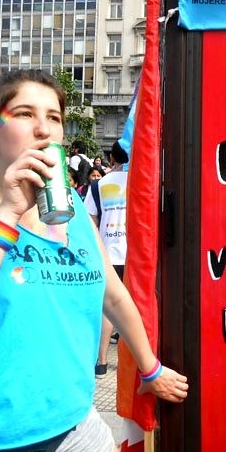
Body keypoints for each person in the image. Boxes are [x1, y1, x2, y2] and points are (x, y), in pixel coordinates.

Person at [0, 69, 188, 452]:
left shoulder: (72, 207)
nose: (44, 129)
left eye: (55, 117)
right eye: (24, 114)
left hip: (74, 425)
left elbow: (112, 295)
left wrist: (151, 369)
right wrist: (8, 213)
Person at [85, 141, 128, 378]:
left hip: (107, 253)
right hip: (136, 255)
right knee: (138, 307)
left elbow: (90, 220)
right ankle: (134, 363)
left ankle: (101, 363)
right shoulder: (143, 180)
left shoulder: (98, 185)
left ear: (112, 158)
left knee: (108, 310)